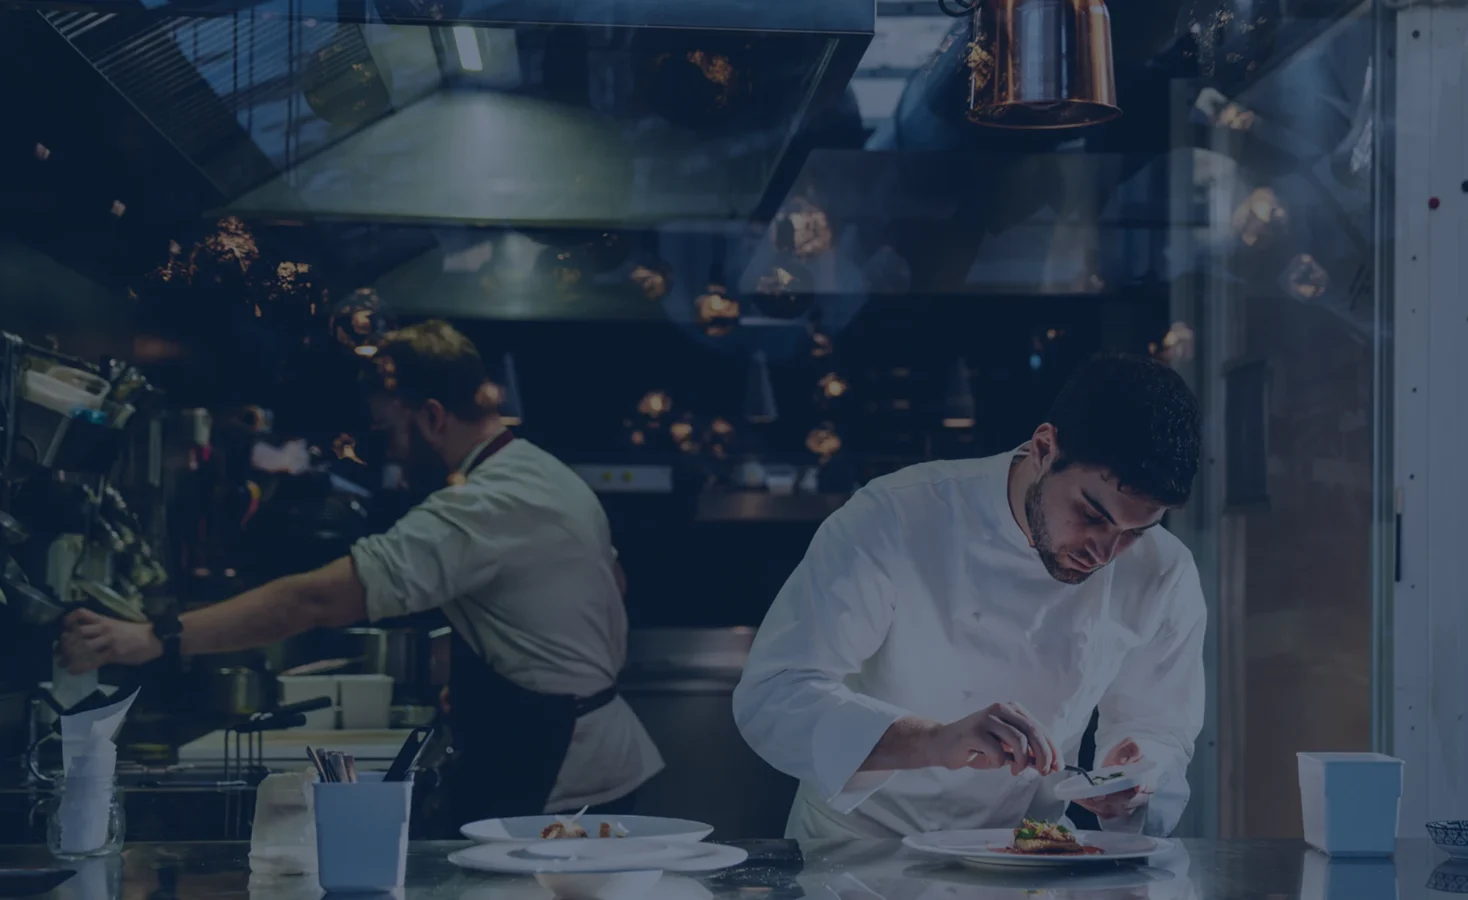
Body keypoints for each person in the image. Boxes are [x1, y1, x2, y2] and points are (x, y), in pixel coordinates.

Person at [62, 320, 662, 822]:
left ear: (431, 415)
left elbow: (316, 602)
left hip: (558, 772)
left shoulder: (481, 504)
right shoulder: (540, 471)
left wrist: (154, 637)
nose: (390, 449)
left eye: (389, 429)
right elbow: (614, 586)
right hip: (585, 754)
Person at [733, 353, 1206, 839]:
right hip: (856, 856)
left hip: (1026, 858)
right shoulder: (896, 515)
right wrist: (933, 741)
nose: (1106, 554)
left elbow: (1160, 725)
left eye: (1136, 531)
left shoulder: (1163, 570)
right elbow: (776, 693)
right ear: (1045, 448)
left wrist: (1134, 779)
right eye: (1092, 515)